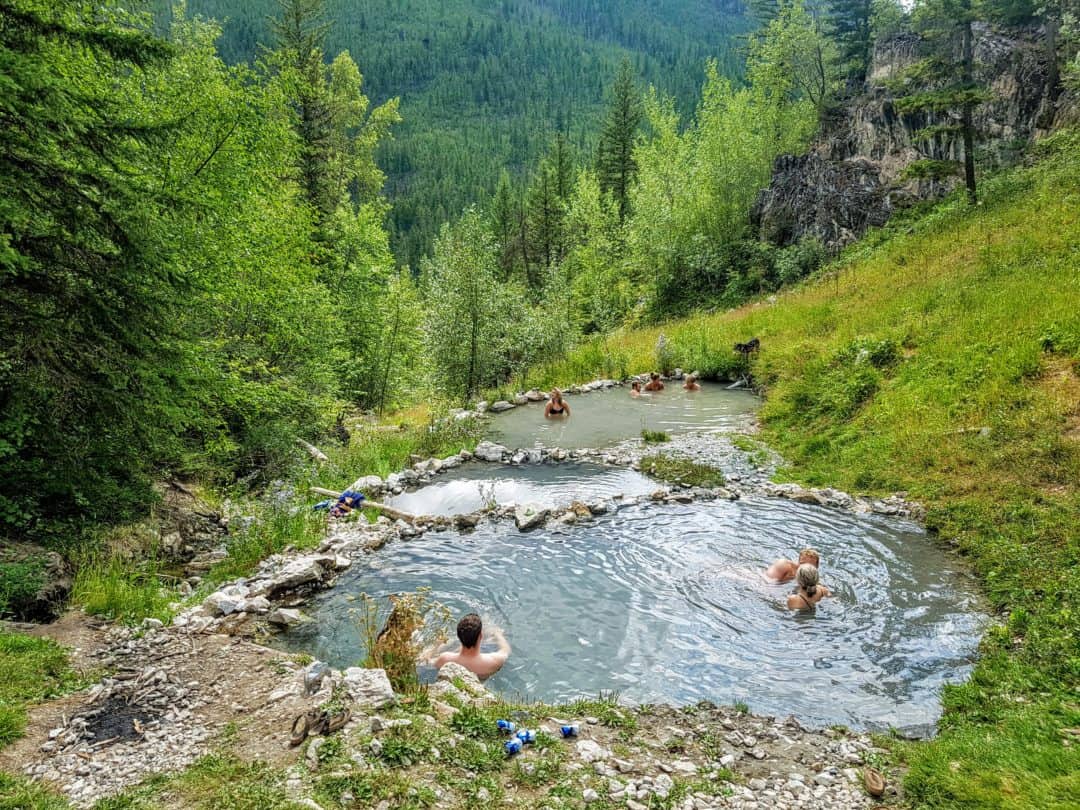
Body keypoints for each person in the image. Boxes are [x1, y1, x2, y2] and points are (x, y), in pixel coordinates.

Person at [431, 613, 511, 680]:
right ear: (480, 636)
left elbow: (425, 660)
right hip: (479, 675)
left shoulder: (445, 659)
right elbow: (506, 650)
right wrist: (498, 634)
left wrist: (437, 645)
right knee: (488, 642)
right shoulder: (493, 661)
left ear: (458, 636)